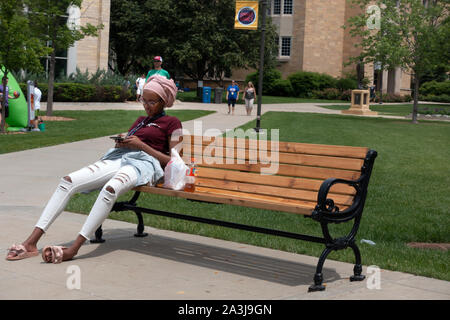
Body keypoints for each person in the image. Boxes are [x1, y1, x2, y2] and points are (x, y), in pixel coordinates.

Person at [5, 75, 183, 264]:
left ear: (164, 101)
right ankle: (31, 243)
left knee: (111, 189)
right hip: (119, 158)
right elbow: (129, 145)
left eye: (152, 102)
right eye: (143, 100)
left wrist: (141, 146)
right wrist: (122, 142)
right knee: (68, 181)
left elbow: (175, 161)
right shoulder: (140, 120)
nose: (146, 106)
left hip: (144, 166)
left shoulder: (172, 123)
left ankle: (73, 249)